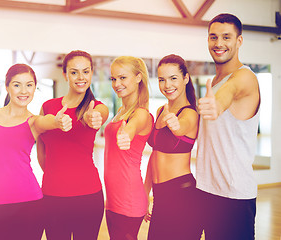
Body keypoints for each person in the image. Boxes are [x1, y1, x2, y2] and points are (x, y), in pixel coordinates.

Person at [0, 63, 72, 240]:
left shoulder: (34, 121)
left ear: (35, 87)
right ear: (7, 87)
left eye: (29, 85)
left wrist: (58, 121)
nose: (23, 91)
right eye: (17, 84)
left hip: (30, 203)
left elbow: (47, 121)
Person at [196, 13, 260, 240]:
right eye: (213, 37)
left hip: (234, 196)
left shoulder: (245, 78)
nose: (219, 43)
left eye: (226, 37)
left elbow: (229, 92)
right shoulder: (214, 82)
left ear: (239, 41)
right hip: (208, 190)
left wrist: (217, 104)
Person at [37, 50, 109, 240]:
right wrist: (56, 174)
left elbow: (100, 115)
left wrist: (92, 117)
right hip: (52, 196)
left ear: (92, 73)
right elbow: (41, 150)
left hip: (88, 197)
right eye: (74, 72)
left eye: (85, 71)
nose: (80, 77)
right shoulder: (48, 107)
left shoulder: (97, 107)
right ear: (65, 75)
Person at [144, 54, 201, 240]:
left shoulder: (190, 114)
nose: (167, 85)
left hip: (182, 195)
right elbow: (154, 156)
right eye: (162, 80)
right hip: (160, 196)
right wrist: (145, 194)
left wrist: (176, 126)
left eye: (173, 78)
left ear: (186, 78)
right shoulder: (161, 110)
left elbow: (182, 126)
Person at [104, 56, 153, 240]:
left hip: (128, 200)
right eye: (114, 79)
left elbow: (132, 127)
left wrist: (126, 135)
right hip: (113, 199)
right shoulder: (121, 111)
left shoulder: (140, 113)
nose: (117, 83)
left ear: (138, 77)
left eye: (123, 78)